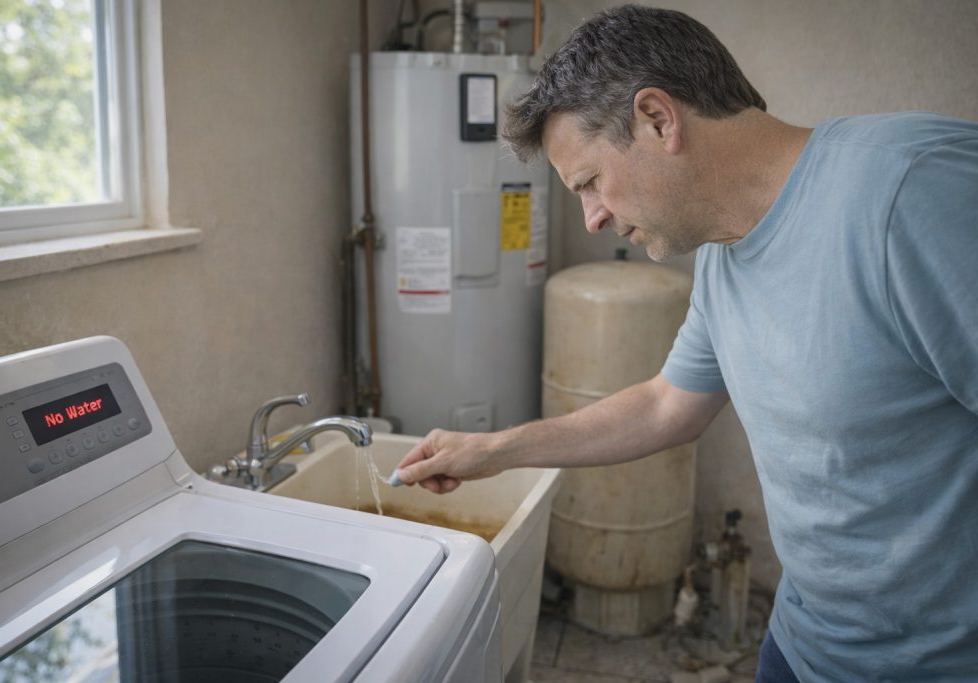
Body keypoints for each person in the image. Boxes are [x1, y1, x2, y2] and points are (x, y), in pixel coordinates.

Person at [394, 4, 978, 682]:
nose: (593, 216)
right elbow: (669, 404)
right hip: (804, 644)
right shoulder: (724, 257)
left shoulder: (909, 191)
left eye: (589, 183)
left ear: (658, 119)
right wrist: (494, 451)